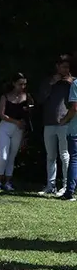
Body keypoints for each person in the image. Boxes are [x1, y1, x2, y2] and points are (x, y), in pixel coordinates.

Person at [39, 56, 72, 196]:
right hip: (49, 122)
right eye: (63, 67)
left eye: (67, 67)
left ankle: (66, 185)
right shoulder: (48, 81)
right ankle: (50, 185)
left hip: (65, 123)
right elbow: (40, 99)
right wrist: (52, 83)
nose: (66, 70)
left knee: (65, 155)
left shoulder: (72, 82)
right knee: (50, 156)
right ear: (57, 67)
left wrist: (71, 83)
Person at [0, 73, 31, 192]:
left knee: (12, 156)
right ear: (14, 84)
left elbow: (30, 113)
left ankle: (8, 182)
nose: (22, 86)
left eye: (24, 84)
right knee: (3, 156)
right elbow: (2, 115)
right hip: (5, 127)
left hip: (18, 129)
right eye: (20, 84)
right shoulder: (5, 97)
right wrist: (16, 122)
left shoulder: (27, 97)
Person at [62, 63, 77, 202]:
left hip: (75, 129)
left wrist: (64, 120)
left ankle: (70, 192)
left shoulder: (75, 84)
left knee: (74, 159)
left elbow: (74, 108)